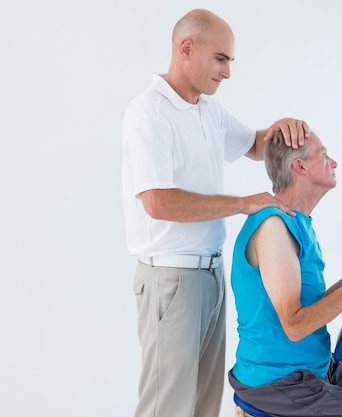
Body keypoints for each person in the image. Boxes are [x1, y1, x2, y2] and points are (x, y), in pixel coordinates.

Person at [121, 9, 310, 417]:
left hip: (210, 276)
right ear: (186, 48)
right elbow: (158, 201)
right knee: (166, 407)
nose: (227, 73)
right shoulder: (150, 113)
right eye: (220, 59)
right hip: (171, 281)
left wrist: (281, 129)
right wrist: (243, 203)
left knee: (205, 405)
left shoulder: (208, 109)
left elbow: (255, 145)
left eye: (230, 62)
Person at [228, 130, 342, 416]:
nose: (335, 163)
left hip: (318, 367)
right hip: (279, 381)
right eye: (324, 156)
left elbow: (312, 307)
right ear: (299, 167)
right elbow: (296, 326)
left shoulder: (299, 222)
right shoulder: (272, 226)